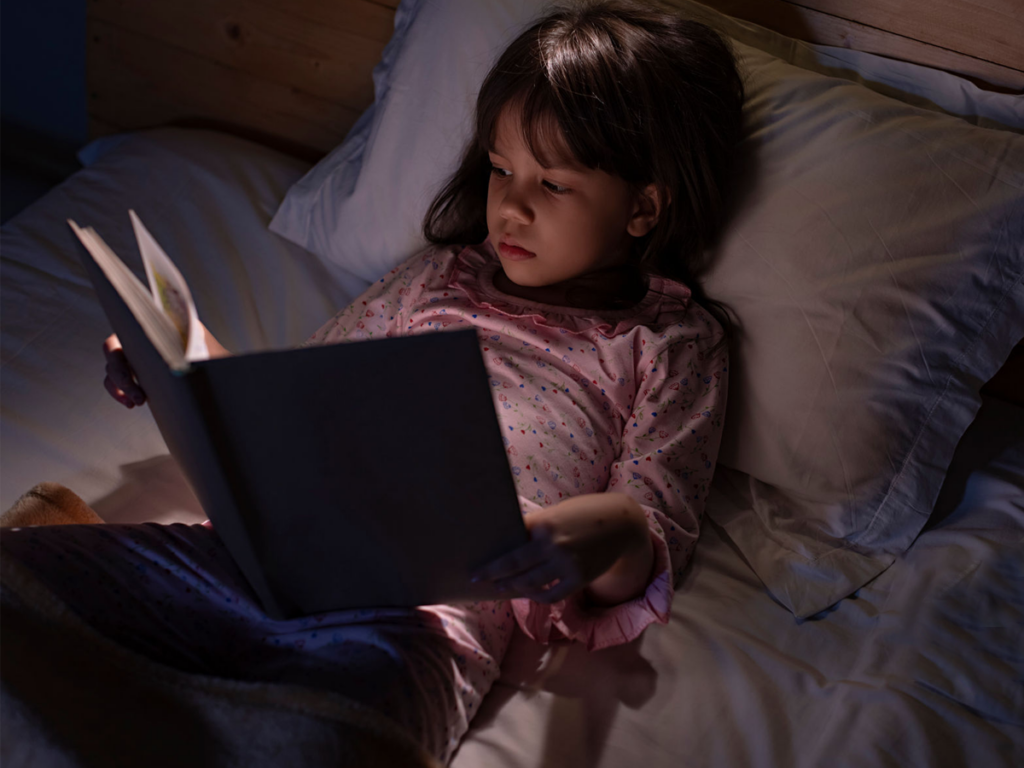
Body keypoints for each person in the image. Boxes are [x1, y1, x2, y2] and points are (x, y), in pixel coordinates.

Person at [1, 1, 744, 763]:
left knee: (325, 744)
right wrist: (173, 368)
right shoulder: (437, 277)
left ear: (643, 207)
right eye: (499, 169)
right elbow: (298, 400)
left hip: (423, 615)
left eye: (552, 186)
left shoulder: (670, 342)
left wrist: (591, 534)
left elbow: (656, 530)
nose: (510, 208)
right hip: (265, 553)